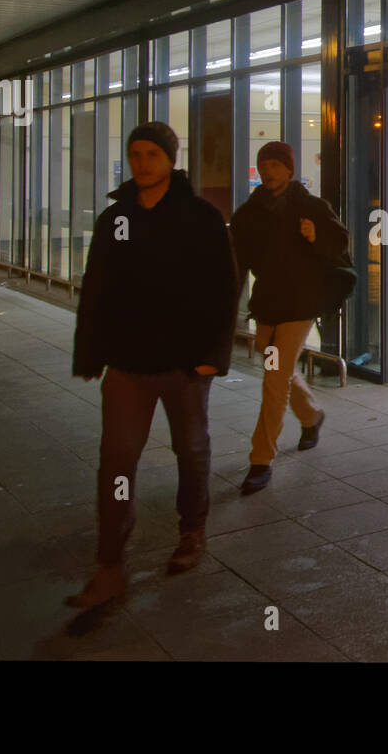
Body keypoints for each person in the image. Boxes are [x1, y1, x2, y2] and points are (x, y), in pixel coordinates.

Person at [67, 122, 237, 608]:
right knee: (116, 461)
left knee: (191, 450)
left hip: (184, 365)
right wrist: (90, 351)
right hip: (127, 364)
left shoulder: (199, 217)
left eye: (151, 155)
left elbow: (223, 291)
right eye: (135, 154)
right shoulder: (115, 218)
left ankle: (192, 532)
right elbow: (95, 286)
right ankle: (109, 563)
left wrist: (211, 359)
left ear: (170, 160)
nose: (141, 163)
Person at [230, 141, 349, 495]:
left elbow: (341, 241)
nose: (268, 170)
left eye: (275, 164)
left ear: (289, 170)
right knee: (276, 369)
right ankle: (311, 416)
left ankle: (261, 459)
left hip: (300, 305)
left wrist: (317, 236)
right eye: (263, 164)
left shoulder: (310, 206)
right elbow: (235, 258)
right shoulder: (250, 212)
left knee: (273, 378)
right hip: (268, 306)